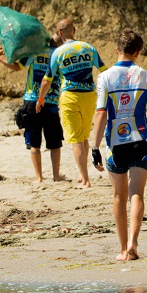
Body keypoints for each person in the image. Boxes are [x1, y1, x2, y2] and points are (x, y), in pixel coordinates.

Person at [91, 29, 147, 261]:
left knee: (119, 196)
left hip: (115, 144)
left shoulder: (105, 77)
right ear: (138, 52)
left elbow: (101, 114)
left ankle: (122, 249)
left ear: (116, 49)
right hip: (142, 141)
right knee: (137, 194)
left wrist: (94, 147)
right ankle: (134, 243)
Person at [36, 19, 106, 188]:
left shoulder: (58, 52)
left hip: (70, 97)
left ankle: (86, 179)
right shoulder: (88, 48)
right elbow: (104, 71)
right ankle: (84, 176)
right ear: (74, 30)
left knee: (75, 139)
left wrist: (41, 99)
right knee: (83, 136)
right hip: (89, 96)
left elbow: (47, 80)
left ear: (59, 34)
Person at [0, 33, 64, 183]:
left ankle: (39, 178)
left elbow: (17, 67)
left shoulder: (34, 53)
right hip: (51, 102)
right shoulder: (59, 55)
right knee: (55, 143)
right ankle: (56, 176)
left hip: (32, 101)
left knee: (34, 142)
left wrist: (0, 58)